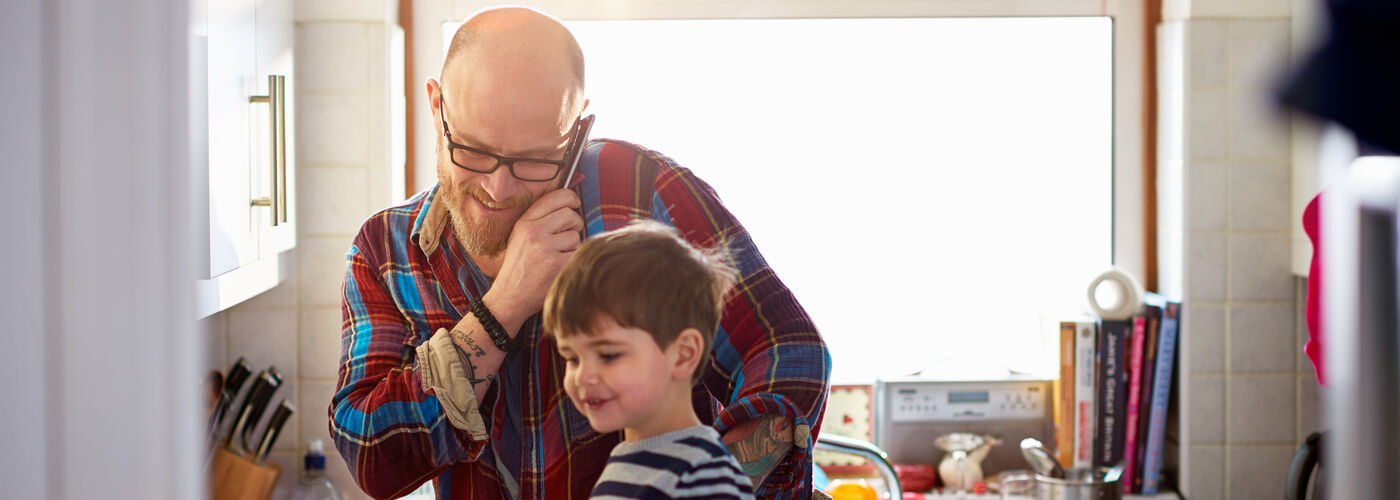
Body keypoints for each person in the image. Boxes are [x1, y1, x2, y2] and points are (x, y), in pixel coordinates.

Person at [330, 5, 829, 499]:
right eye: (474, 150)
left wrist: (706, 486)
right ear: (437, 106)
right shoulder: (385, 250)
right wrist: (504, 305)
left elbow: (789, 352)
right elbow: (371, 457)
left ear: (577, 130)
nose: (498, 188)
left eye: (534, 159)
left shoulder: (644, 192)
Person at [543, 221, 754, 499]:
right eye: (572, 357)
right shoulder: (631, 459)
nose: (582, 376)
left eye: (608, 355)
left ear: (683, 354)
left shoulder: (703, 478)